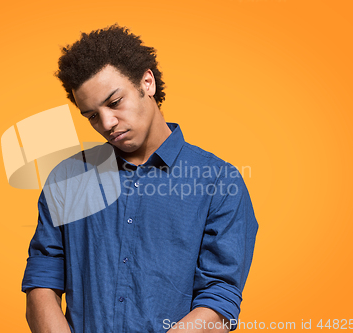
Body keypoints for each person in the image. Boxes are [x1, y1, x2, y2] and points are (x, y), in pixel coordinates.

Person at [21, 24, 258, 333]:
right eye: (92, 115)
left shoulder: (218, 182)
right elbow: (43, 278)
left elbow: (219, 298)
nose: (107, 123)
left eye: (114, 102)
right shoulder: (68, 179)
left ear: (147, 82)